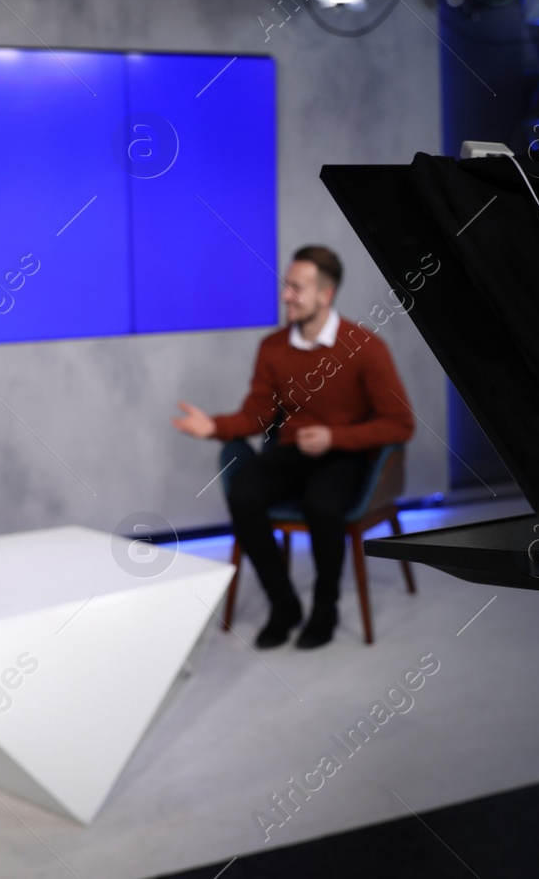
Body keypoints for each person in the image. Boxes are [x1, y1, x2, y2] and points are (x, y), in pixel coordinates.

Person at [173, 246, 415, 649]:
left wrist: (334, 438)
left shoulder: (366, 347)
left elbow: (400, 423)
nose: (286, 295)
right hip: (292, 452)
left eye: (296, 288)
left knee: (323, 505)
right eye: (286, 287)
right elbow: (256, 415)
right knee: (244, 493)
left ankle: (325, 607)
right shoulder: (273, 348)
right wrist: (213, 426)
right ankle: (284, 605)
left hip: (346, 455)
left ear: (325, 294)